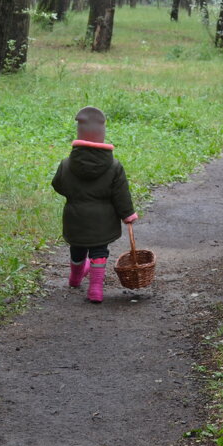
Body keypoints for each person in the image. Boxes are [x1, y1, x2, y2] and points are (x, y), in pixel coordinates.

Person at [51, 106, 137, 303]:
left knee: (77, 248)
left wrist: (75, 195)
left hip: (75, 217)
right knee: (99, 251)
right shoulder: (114, 166)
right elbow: (121, 194)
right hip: (103, 220)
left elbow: (58, 184)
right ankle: (96, 289)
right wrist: (127, 214)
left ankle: (74, 278)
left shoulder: (66, 164)